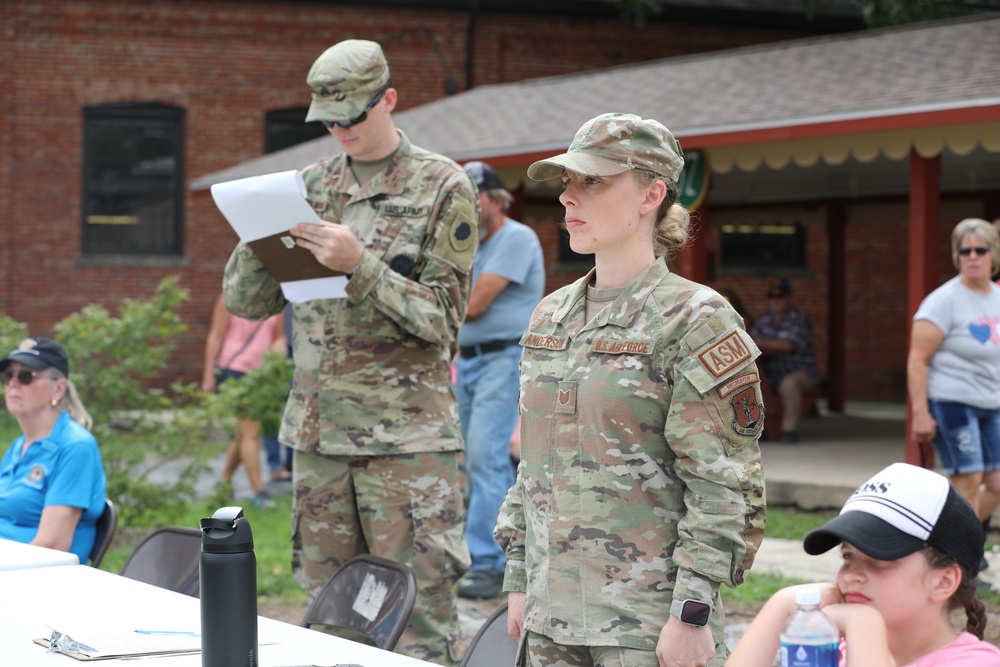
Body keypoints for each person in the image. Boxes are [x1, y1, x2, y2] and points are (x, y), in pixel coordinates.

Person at [222, 39, 477, 666]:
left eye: (353, 116)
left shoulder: (442, 185)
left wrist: (361, 266)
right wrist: (256, 233)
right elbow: (247, 304)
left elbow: (443, 320)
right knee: (331, 618)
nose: (341, 130)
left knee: (415, 621)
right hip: (319, 439)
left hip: (405, 447)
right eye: (328, 120)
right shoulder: (310, 186)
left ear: (388, 99)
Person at [493, 113, 766, 667]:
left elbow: (724, 487)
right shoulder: (551, 315)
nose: (569, 197)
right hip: (550, 619)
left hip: (645, 628)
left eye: (592, 181)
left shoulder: (696, 319)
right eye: (569, 182)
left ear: (652, 195)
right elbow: (534, 467)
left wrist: (692, 613)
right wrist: (518, 576)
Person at [728, 462, 1000, 666]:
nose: (852, 576)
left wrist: (863, 627)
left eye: (880, 557)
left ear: (943, 581)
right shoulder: (838, 650)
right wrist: (783, 604)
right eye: (848, 556)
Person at [454, 161, 545, 600]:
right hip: (468, 359)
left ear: (495, 199)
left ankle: (489, 564)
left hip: (503, 357)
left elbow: (472, 305)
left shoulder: (516, 238)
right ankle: (494, 554)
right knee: (471, 460)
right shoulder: (469, 244)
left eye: (474, 199)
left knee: (485, 459)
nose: (467, 208)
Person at [908, 217, 1000, 524]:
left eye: (980, 250)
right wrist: (920, 412)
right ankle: (961, 559)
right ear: (956, 256)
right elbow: (917, 359)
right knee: (969, 481)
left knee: (997, 484)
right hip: (952, 402)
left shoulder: (997, 298)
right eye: (965, 251)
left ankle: (954, 543)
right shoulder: (943, 301)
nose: (973, 256)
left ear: (993, 254)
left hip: (992, 404)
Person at [0, 337, 106, 563]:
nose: (13, 383)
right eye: (9, 376)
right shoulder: (20, 445)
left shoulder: (76, 447)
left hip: (37, 580)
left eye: (26, 376)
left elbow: (52, 545)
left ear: (58, 388)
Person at [202, 293, 285, 509]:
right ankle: (260, 492)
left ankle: (223, 482)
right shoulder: (229, 297)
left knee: (243, 434)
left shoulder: (277, 300)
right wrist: (208, 375)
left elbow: (279, 337)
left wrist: (277, 354)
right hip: (235, 371)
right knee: (251, 433)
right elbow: (216, 336)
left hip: (262, 376)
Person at [749, 278, 820, 443]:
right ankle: (761, 428)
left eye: (779, 296)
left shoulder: (798, 318)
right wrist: (766, 345)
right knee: (754, 382)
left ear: (789, 297)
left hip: (801, 371)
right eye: (771, 296)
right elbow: (750, 341)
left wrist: (760, 343)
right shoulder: (765, 321)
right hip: (772, 372)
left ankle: (789, 430)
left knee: (789, 384)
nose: (775, 300)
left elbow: (788, 345)